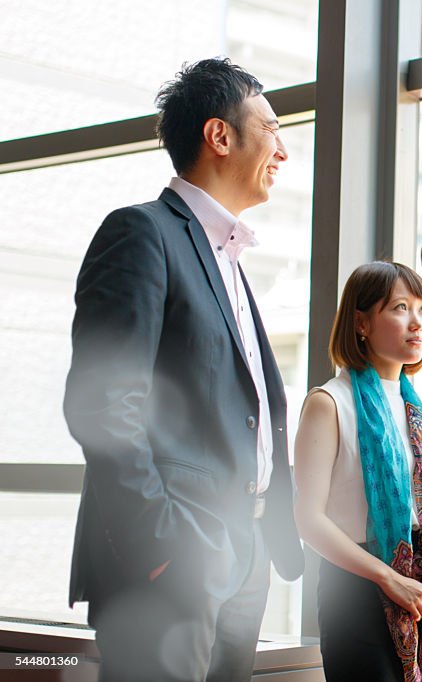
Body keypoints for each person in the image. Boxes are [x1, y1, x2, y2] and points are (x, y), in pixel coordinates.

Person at [63, 58, 303, 681]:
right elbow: (102, 404)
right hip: (174, 556)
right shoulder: (141, 234)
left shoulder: (231, 259)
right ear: (220, 136)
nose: (283, 149)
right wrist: (164, 544)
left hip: (242, 554)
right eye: (272, 128)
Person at [293, 261, 422, 682]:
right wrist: (387, 578)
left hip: (420, 595)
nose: (418, 323)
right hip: (356, 595)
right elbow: (309, 520)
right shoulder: (328, 403)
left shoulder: (414, 407)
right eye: (401, 308)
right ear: (361, 323)